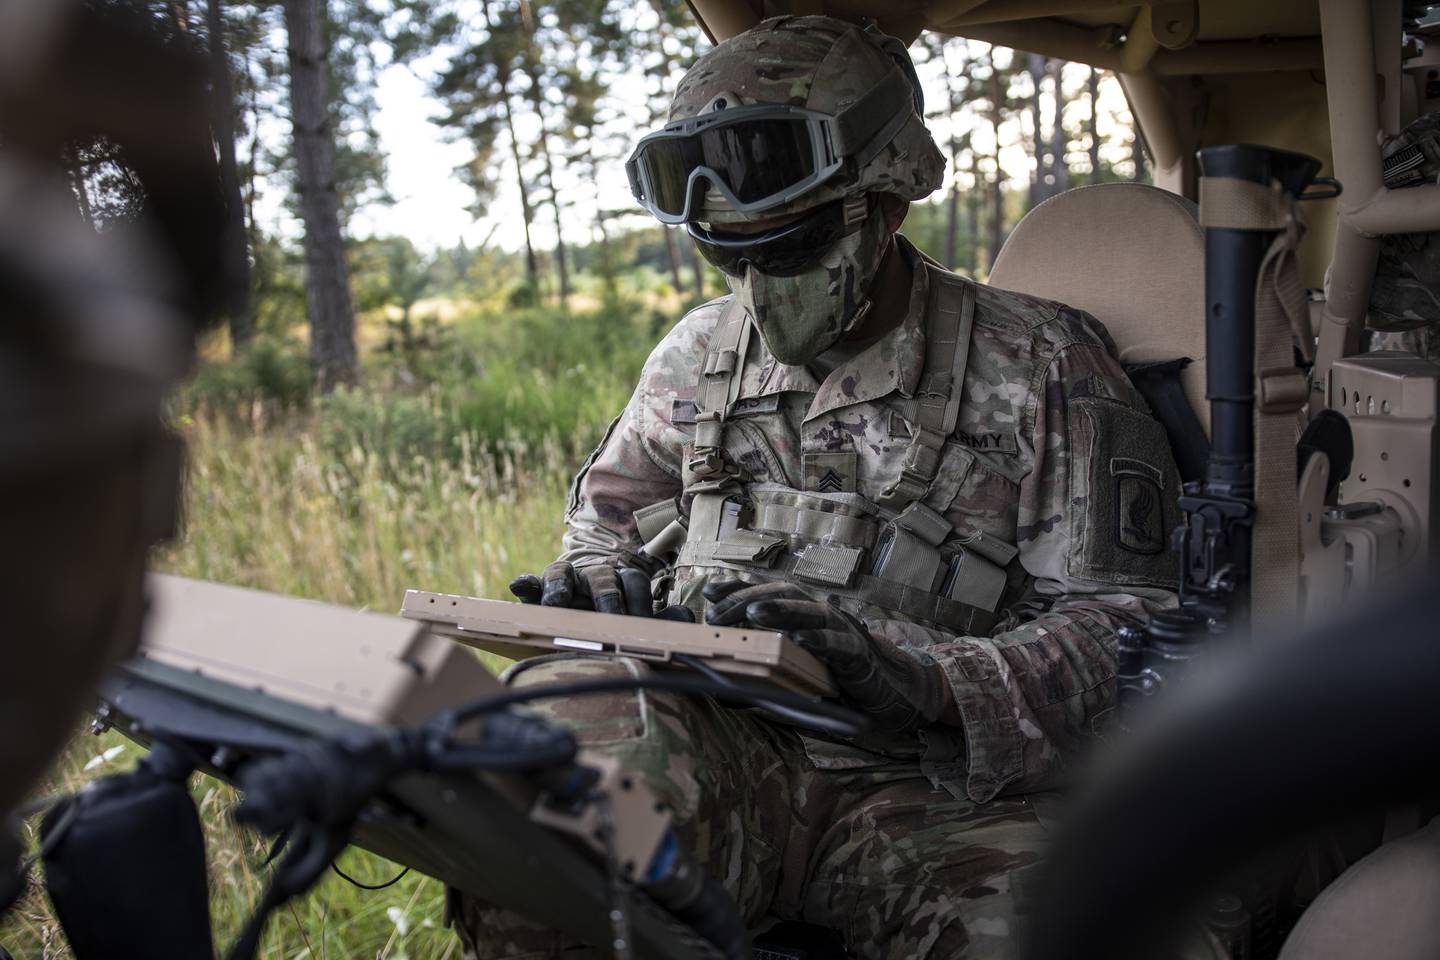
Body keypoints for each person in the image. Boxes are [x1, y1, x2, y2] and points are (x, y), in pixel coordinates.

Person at [456, 15, 1182, 959]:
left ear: (885, 206)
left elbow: (1132, 632)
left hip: (943, 789)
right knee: (541, 845)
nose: (757, 289)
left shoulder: (1043, 362)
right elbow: (606, 526)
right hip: (725, 745)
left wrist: (924, 681)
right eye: (730, 256)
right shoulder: (696, 356)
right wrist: (596, 580)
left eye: (790, 248)